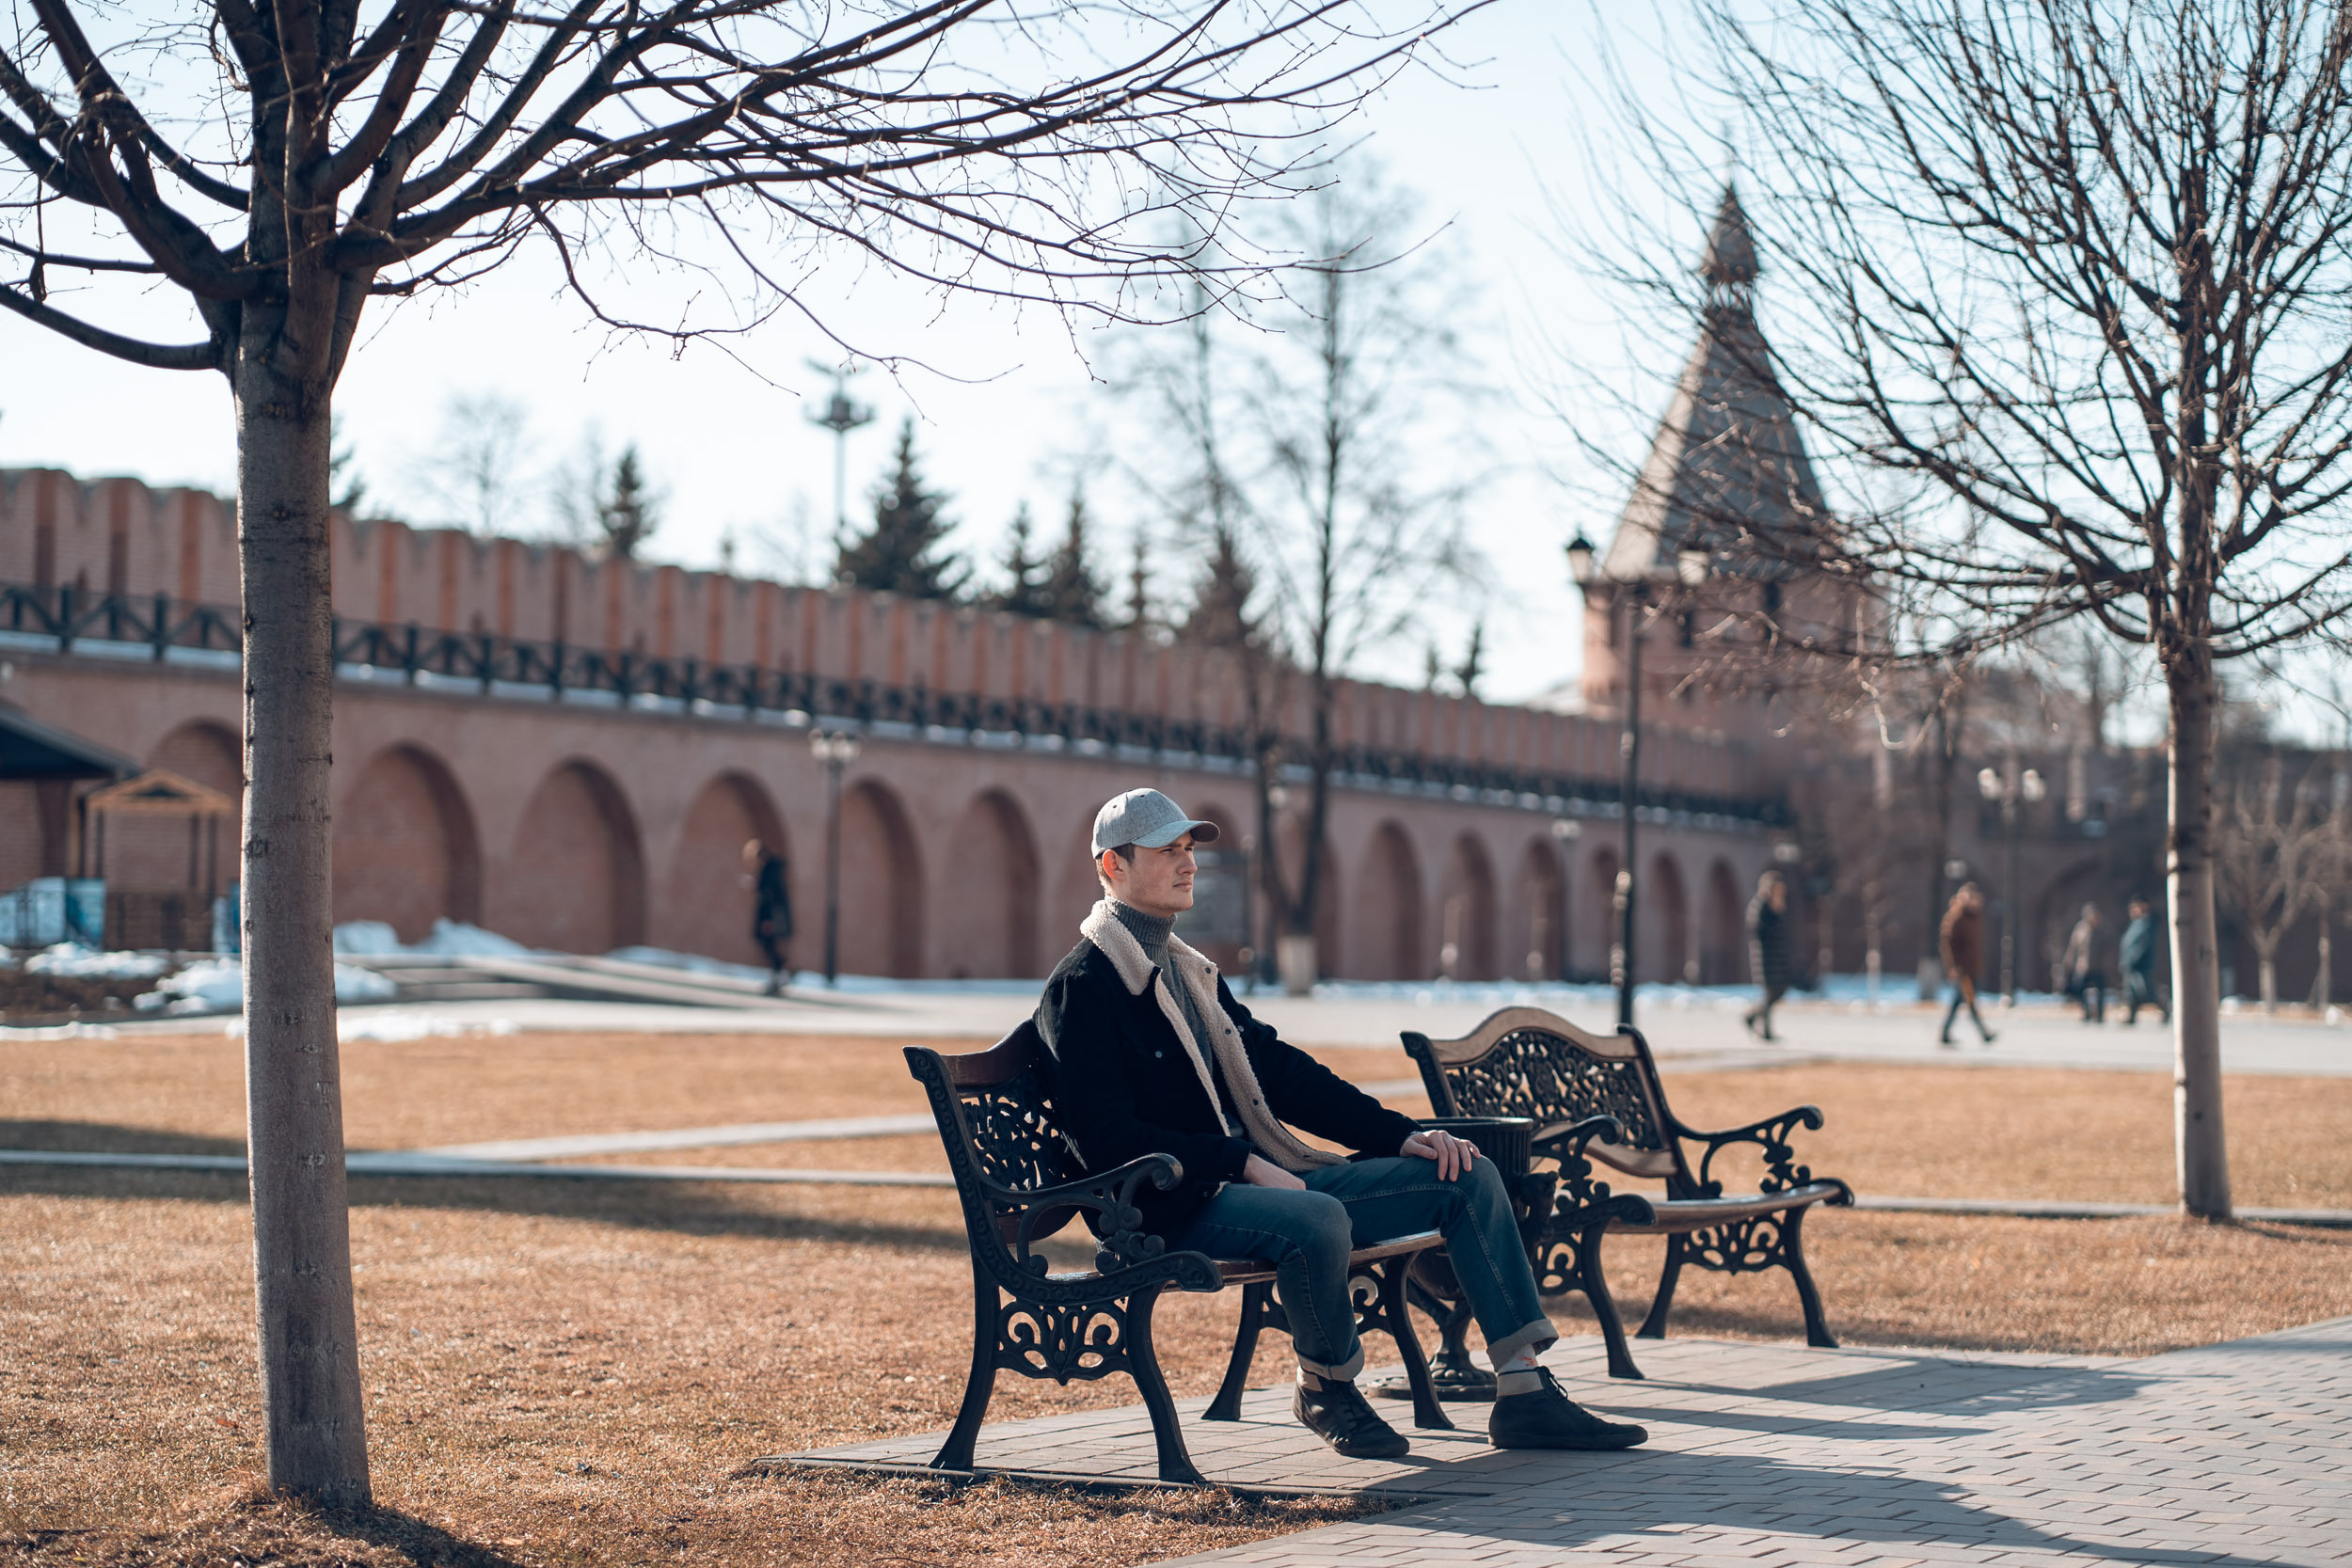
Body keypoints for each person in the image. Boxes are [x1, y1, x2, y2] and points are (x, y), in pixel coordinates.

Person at [1036, 787, 1646, 1461]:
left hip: (1261, 1185)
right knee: (1318, 1216)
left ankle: (1527, 1390)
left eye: (1189, 849)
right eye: (1167, 851)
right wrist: (1235, 1161)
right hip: (1163, 1207)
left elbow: (1282, 1071)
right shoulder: (1085, 986)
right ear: (1111, 866)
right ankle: (1326, 1386)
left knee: (1465, 1174)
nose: (1188, 864)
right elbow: (1106, 1137)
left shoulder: (1187, 972)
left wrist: (1400, 1134)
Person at [1938, 882, 1995, 1046]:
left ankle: (1945, 1033)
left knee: (1959, 1001)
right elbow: (1946, 944)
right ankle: (1983, 1033)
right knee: (1969, 1001)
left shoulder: (1975, 917)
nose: (1976, 902)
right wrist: (1952, 966)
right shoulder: (1956, 918)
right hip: (1963, 969)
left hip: (1973, 967)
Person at [1742, 871, 1793, 1041]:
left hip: (1778, 956)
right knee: (1770, 992)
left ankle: (1752, 1017)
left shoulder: (1776, 905)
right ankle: (1765, 1030)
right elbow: (1758, 929)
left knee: (1779, 990)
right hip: (1765, 957)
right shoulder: (1760, 906)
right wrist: (1774, 913)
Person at [743, 838, 793, 995]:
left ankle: (780, 974)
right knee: (771, 947)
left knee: (770, 946)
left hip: (770, 917)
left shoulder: (769, 872)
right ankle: (780, 975)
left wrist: (768, 920)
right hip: (773, 916)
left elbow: (770, 897)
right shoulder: (772, 871)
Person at [2120, 897, 2167, 1025]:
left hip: (2141, 964)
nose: (2133, 910)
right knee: (2130, 992)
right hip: (2131, 964)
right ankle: (2131, 1015)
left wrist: (2135, 959)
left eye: (2136, 907)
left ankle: (2165, 1008)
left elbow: (2143, 945)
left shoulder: (2147, 923)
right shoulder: (2135, 923)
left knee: (2146, 991)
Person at [2062, 903, 2106, 1023]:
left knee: (2100, 993)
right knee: (2078, 990)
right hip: (2083, 966)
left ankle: (2100, 1015)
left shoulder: (2102, 930)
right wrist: (2068, 961)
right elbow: (2073, 947)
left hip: (2098, 966)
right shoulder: (2081, 928)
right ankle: (2087, 1011)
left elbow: (2109, 947)